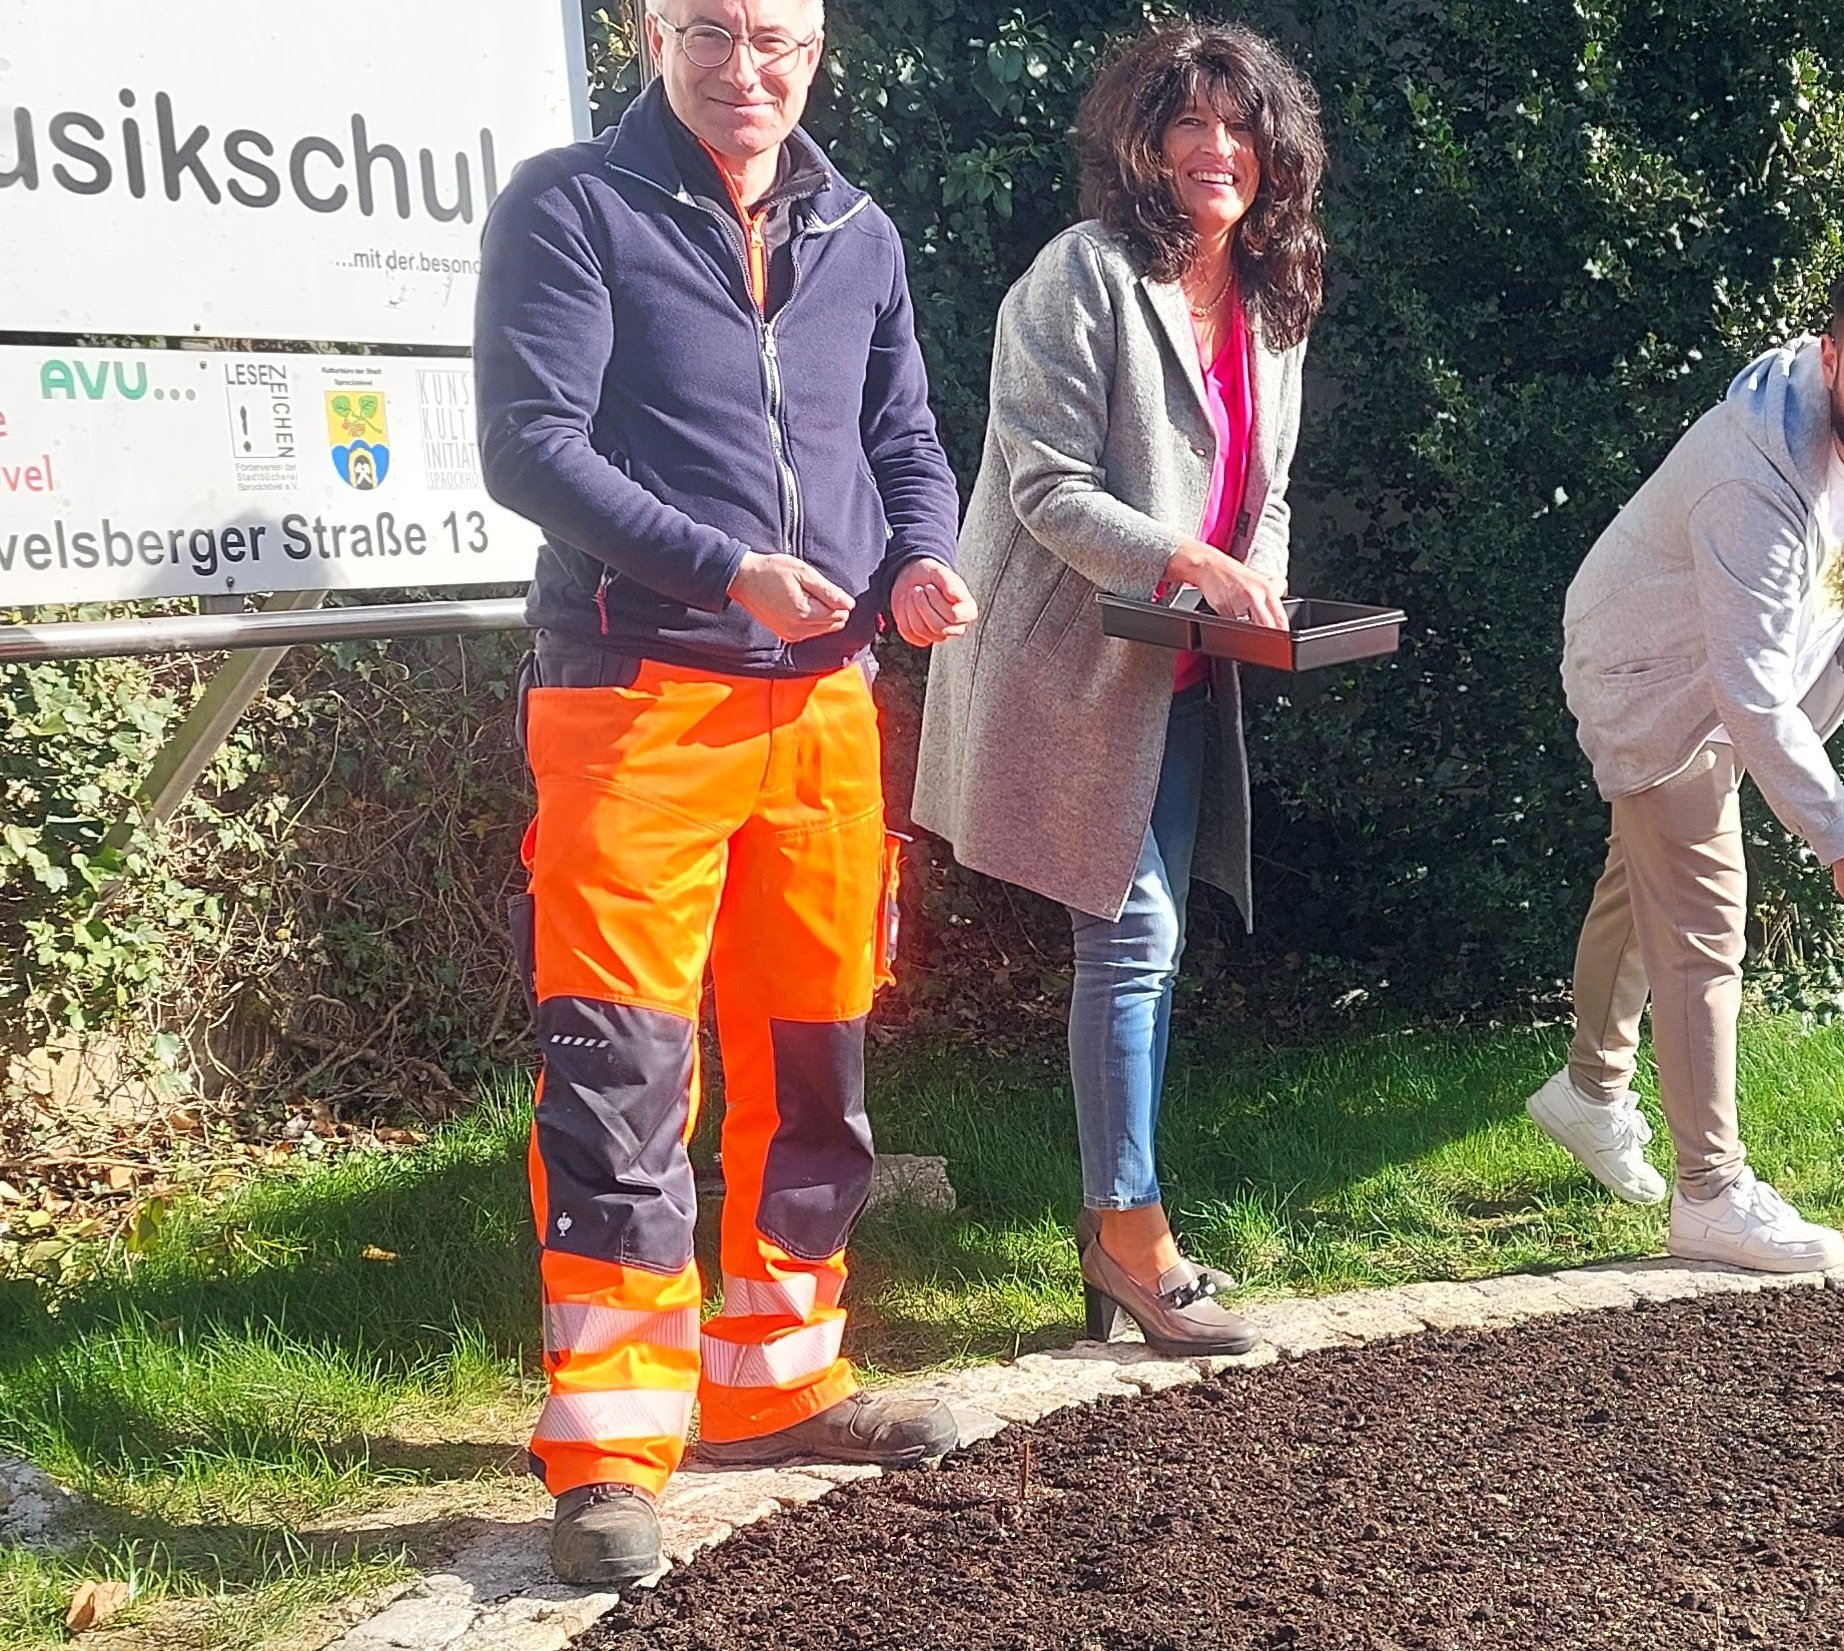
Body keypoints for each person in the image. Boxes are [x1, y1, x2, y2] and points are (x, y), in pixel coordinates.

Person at [478, 0, 978, 1588]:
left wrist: (921, 561)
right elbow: (528, 445)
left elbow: (904, 434)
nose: (747, 68)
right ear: (647, 31)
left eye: (779, 39)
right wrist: (723, 566)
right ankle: (612, 1445)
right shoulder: (571, 205)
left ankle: (772, 1379)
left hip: (826, 705)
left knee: (812, 1057)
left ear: (818, 47)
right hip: (632, 703)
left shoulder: (860, 228)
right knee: (619, 1073)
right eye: (711, 30)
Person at [911, 22, 1322, 1358]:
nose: (1217, 149)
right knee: (1131, 932)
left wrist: (1253, 575)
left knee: (1142, 935)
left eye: (1238, 125)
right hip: (1067, 653)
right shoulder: (1077, 276)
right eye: (1188, 124)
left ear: (1272, 152)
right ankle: (1131, 1239)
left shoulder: (1268, 293)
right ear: (1139, 145)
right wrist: (1194, 560)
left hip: (1184, 653)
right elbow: (1044, 485)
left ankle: (1116, 1232)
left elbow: (1269, 490)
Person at [1526, 261, 1844, 1273]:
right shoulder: (1755, 475)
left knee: (1647, 885)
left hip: (1718, 673)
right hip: (1651, 677)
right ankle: (1710, 1191)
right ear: (1827, 358)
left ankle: (1589, 1090)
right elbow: (1750, 693)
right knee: (1704, 926)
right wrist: (1840, 840)